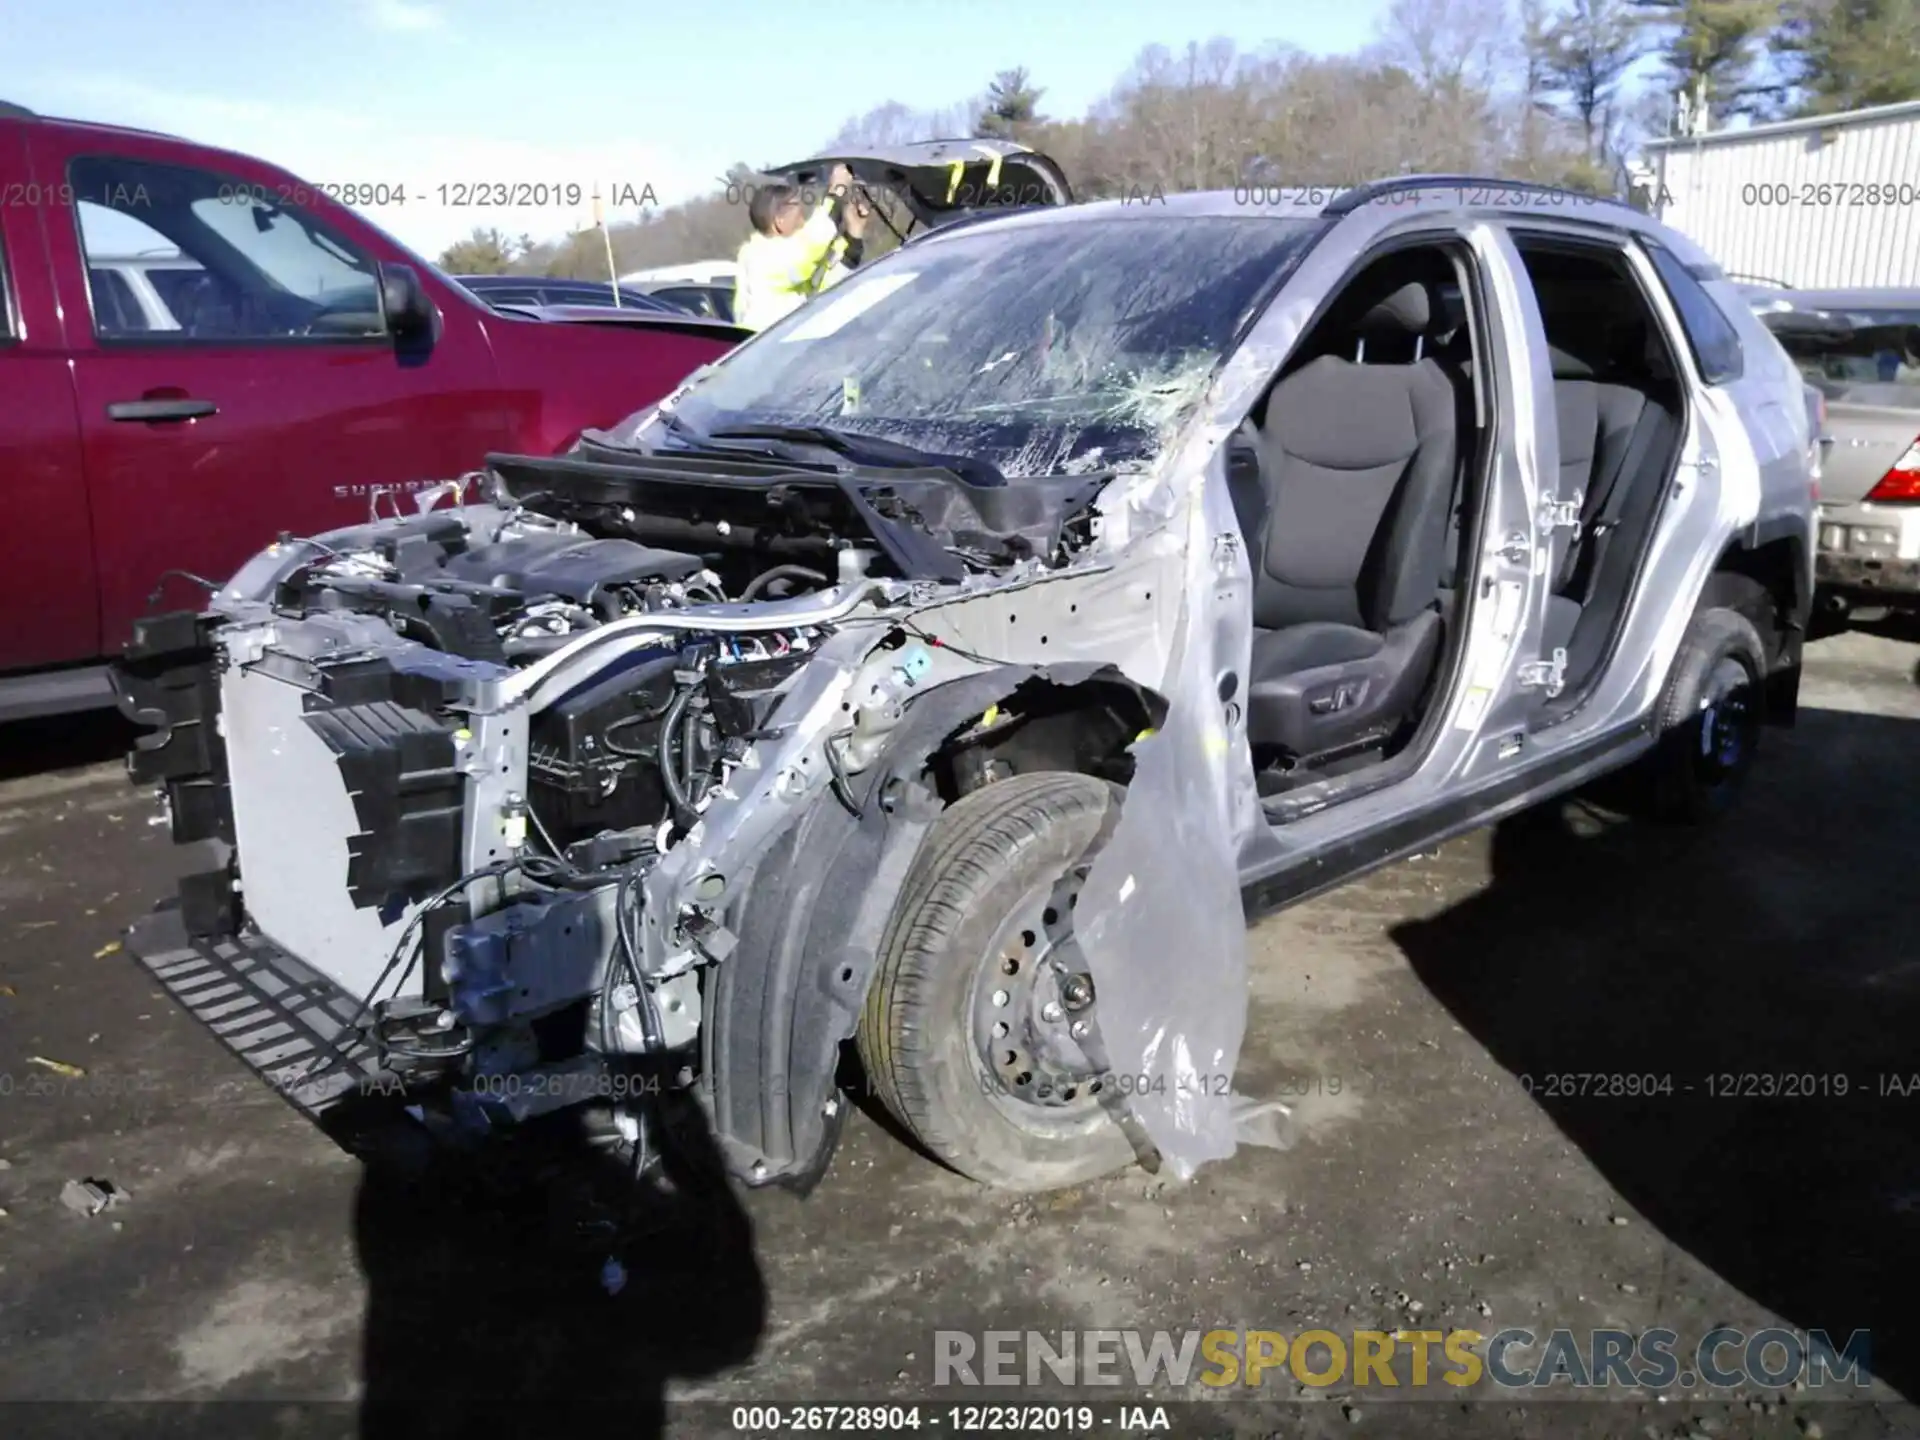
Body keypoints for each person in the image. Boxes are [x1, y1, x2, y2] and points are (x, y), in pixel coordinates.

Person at [732, 164, 862, 331]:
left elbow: (829, 280)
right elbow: (814, 242)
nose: (803, 223)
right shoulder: (762, 258)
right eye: (799, 215)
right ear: (779, 221)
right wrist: (837, 191)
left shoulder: (786, 269)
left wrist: (854, 233)